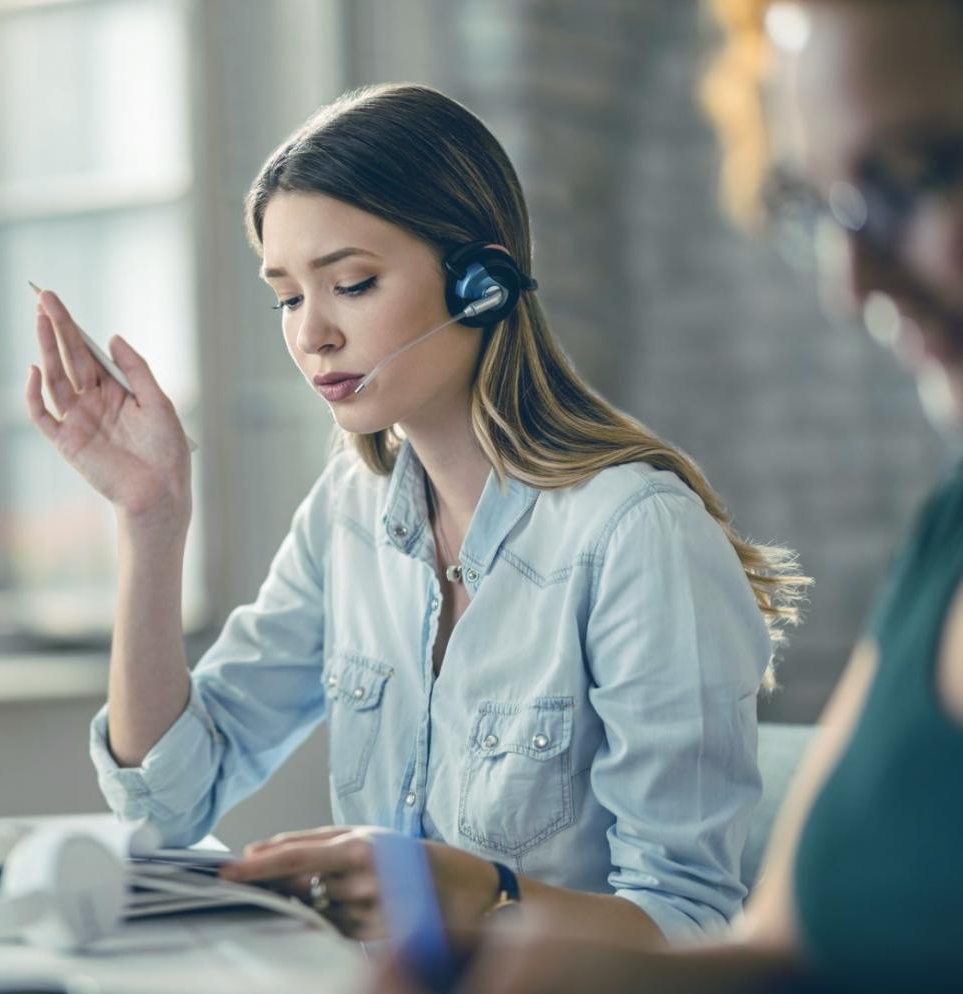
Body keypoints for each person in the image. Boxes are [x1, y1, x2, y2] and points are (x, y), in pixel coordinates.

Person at [24, 82, 808, 944]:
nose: (311, 334)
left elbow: (689, 921)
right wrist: (152, 520)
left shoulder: (637, 535)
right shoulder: (348, 517)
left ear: (481, 280)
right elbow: (164, 800)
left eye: (351, 283)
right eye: (288, 296)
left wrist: (473, 893)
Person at [372, 1, 963, 991]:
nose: (848, 278)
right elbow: (783, 949)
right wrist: (523, 934)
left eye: (909, 176)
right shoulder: (944, 538)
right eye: (818, 208)